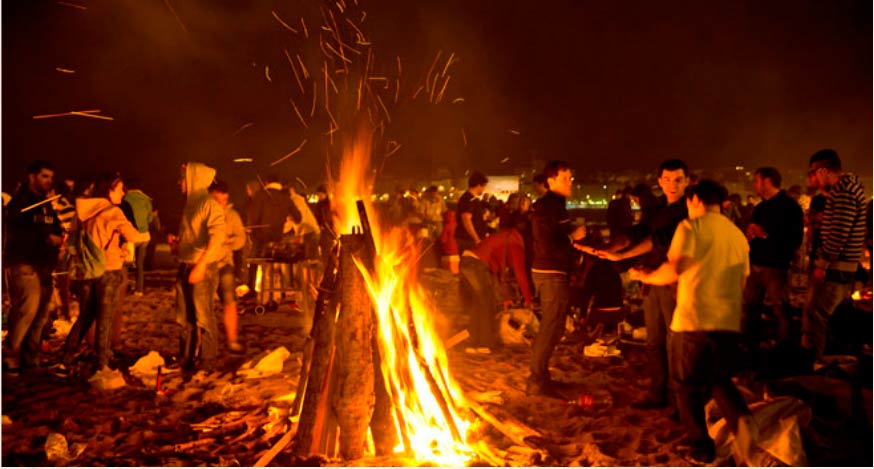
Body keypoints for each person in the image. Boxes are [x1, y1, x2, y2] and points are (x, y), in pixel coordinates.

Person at [630, 179, 756, 464]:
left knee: (684, 385)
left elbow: (673, 271)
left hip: (692, 319)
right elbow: (743, 279)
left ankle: (701, 445)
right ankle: (743, 421)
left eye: (688, 202)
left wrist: (643, 276)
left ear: (695, 200)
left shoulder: (690, 228)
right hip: (727, 321)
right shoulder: (736, 234)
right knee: (717, 378)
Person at [590, 159, 690, 410]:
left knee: (675, 340)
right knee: (654, 341)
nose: (672, 185)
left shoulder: (688, 210)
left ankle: (680, 399)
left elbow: (659, 240)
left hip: (674, 280)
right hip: (651, 278)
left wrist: (623, 255)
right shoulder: (658, 208)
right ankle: (658, 393)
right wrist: (613, 246)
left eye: (677, 179)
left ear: (687, 181)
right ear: (659, 182)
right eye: (666, 180)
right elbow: (640, 231)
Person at [58, 173, 147, 376]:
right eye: (120, 189)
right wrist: (123, 247)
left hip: (87, 270)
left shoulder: (81, 212)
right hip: (109, 270)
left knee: (86, 317)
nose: (123, 193)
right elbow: (134, 235)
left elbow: (71, 242)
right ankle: (102, 365)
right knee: (105, 320)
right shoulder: (112, 212)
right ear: (109, 190)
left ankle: (65, 359)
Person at [802, 149, 868, 362]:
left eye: (813, 172)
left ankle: (819, 364)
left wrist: (823, 263)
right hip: (839, 265)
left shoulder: (844, 191)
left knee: (820, 315)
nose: (813, 178)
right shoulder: (845, 189)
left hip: (837, 266)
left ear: (822, 171)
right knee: (829, 315)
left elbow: (839, 232)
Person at [527, 160, 586, 396]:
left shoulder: (557, 206)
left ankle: (542, 377)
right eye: (564, 179)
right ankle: (536, 381)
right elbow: (545, 243)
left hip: (555, 271)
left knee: (556, 326)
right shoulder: (546, 208)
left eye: (570, 178)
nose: (569, 182)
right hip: (549, 273)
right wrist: (573, 238)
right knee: (551, 327)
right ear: (550, 182)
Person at [2, 161, 63, 372]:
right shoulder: (21, 202)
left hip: (44, 264)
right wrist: (45, 237)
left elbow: (55, 225)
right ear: (32, 176)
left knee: (41, 314)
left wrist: (58, 235)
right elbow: (17, 230)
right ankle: (9, 355)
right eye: (44, 176)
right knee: (26, 310)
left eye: (51, 177)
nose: (49, 181)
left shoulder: (44, 202)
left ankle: (31, 356)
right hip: (23, 263)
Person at [173, 162, 226, 373]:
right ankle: (186, 356)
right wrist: (179, 245)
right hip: (186, 265)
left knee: (204, 316)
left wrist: (202, 265)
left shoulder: (208, 203)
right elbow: (194, 235)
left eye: (183, 177)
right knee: (184, 316)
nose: (179, 182)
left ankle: (208, 359)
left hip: (202, 268)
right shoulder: (191, 203)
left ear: (194, 178)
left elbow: (218, 237)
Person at [743, 167, 804, 351]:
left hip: (776, 266)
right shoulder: (760, 207)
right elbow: (753, 233)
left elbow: (796, 240)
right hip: (754, 264)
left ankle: (783, 348)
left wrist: (766, 235)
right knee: (749, 308)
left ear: (767, 181)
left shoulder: (790, 207)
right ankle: (750, 346)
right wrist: (750, 235)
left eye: (756, 180)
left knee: (780, 309)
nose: (754, 185)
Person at [458, 214, 534, 354]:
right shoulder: (516, 243)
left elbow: (498, 274)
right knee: (487, 304)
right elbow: (520, 273)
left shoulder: (506, 235)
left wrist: (505, 297)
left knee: (478, 304)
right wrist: (528, 298)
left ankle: (473, 344)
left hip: (466, 262)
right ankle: (483, 344)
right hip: (476, 265)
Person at [245, 175, 300, 295]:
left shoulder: (260, 196)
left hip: (260, 238)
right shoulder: (286, 198)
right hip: (277, 239)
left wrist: (251, 228)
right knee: (277, 264)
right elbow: (298, 217)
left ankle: (252, 289)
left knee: (253, 262)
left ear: (267, 182)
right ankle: (282, 291)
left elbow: (252, 217)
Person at [209, 180, 246, 354]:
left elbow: (241, 239)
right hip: (206, 265)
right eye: (218, 199)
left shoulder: (232, 216)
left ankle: (232, 341)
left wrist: (229, 243)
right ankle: (206, 344)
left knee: (230, 303)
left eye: (224, 200)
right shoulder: (204, 213)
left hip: (225, 264)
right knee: (204, 306)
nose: (221, 203)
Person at [121, 179, 154, 296]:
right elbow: (150, 219)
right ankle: (139, 290)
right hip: (145, 237)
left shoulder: (124, 198)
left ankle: (122, 289)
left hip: (130, 235)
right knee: (140, 264)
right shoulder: (147, 199)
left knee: (124, 264)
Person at [454, 171, 489, 254]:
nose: (484, 189)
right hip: (468, 241)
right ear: (479, 185)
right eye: (484, 186)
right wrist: (476, 238)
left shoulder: (471, 199)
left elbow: (473, 218)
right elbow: (466, 220)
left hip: (469, 240)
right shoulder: (469, 199)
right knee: (470, 265)